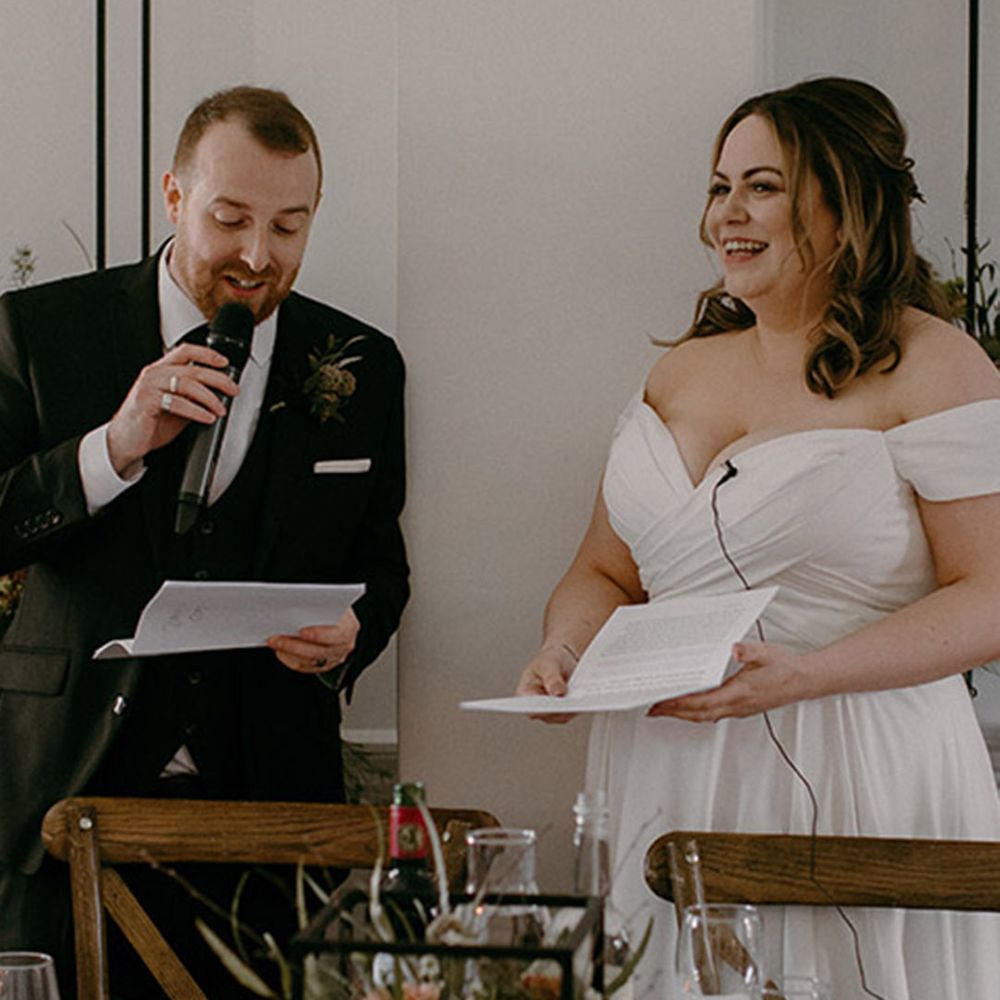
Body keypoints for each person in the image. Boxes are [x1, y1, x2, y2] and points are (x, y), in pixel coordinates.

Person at [517, 77, 1000, 999]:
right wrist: (565, 648)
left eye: (762, 187)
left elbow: (992, 595)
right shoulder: (679, 372)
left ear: (845, 206)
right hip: (666, 769)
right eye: (718, 187)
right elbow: (605, 571)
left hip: (852, 761)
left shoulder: (936, 365)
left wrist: (807, 675)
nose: (726, 215)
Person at [0, 86, 408, 995]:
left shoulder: (364, 364)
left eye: (290, 227)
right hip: (60, 795)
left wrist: (353, 634)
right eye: (230, 219)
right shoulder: (40, 331)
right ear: (174, 196)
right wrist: (112, 448)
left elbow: (381, 568)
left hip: (269, 819)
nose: (258, 256)